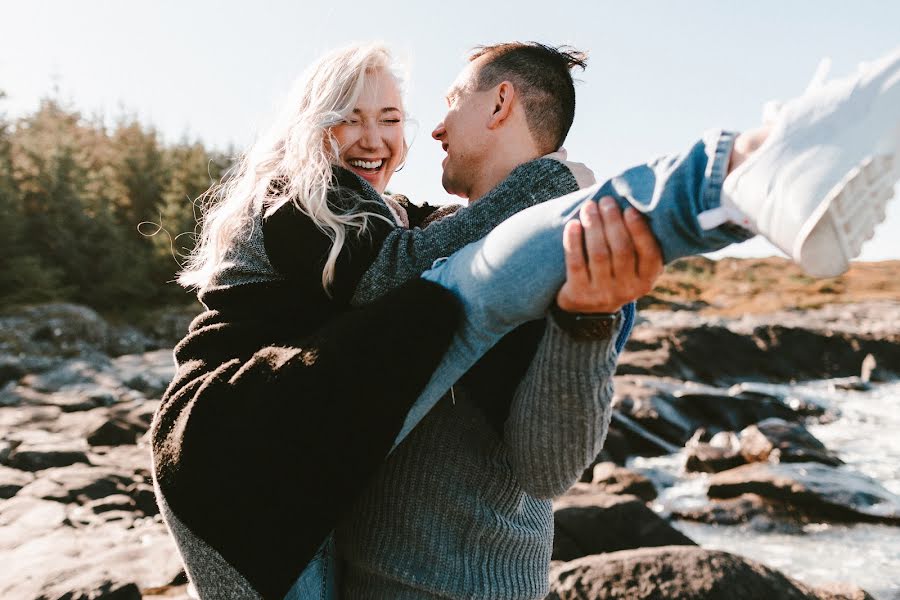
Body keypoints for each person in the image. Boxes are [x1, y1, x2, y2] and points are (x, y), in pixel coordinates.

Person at [148, 41, 900, 600]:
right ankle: (737, 176)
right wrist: (554, 185)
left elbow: (547, 468)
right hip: (272, 486)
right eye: (355, 117)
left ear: (500, 104)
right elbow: (393, 274)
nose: (426, 134)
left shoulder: (576, 252)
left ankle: (742, 173)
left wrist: (587, 323)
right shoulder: (378, 222)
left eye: (423, 111)